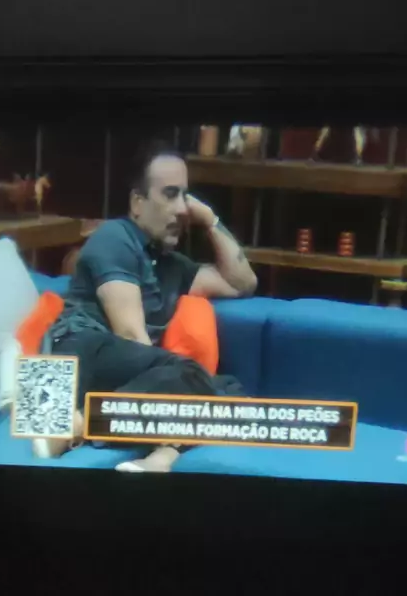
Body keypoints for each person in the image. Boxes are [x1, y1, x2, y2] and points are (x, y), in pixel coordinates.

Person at [34, 140, 258, 471]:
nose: (182, 209)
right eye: (170, 195)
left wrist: (210, 219)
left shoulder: (172, 266)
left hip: (120, 377)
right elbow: (129, 334)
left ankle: (163, 455)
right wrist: (176, 391)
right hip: (71, 360)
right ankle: (75, 425)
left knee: (232, 390)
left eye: (185, 196)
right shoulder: (115, 237)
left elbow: (243, 282)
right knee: (191, 375)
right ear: (137, 203)